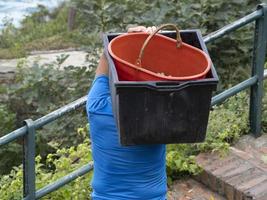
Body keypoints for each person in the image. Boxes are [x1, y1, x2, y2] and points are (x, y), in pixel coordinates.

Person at [86, 26, 167, 200]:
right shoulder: (160, 110)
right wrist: (152, 42)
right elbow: (177, 76)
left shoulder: (97, 107)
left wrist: (122, 42)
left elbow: (106, 60)